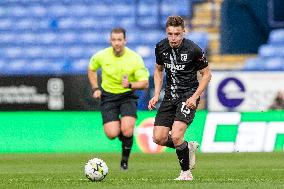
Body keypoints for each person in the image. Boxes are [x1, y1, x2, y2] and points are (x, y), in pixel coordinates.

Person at [148, 16, 212, 180]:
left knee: (176, 135)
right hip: (170, 96)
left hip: (188, 96)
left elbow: (206, 74)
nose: (174, 38)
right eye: (170, 34)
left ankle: (186, 173)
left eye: (177, 34)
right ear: (166, 33)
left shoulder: (193, 49)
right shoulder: (161, 47)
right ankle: (187, 147)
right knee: (159, 138)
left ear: (184, 31)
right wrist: (156, 94)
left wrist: (195, 96)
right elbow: (158, 70)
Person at [88, 27, 149, 170]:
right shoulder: (101, 55)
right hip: (108, 96)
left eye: (119, 40)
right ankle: (123, 129)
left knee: (127, 130)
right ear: (110, 41)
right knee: (111, 134)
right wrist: (95, 88)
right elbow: (91, 68)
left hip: (127, 95)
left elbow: (145, 83)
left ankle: (124, 162)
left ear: (125, 41)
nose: (117, 43)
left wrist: (130, 84)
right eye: (114, 40)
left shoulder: (134, 58)